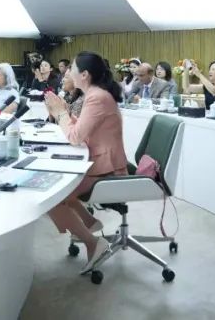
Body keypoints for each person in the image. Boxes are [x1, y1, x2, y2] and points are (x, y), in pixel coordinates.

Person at [43, 52, 129, 272]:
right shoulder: (95, 94)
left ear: (84, 74)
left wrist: (61, 114)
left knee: (50, 196)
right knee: (59, 187)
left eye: (71, 68)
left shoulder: (96, 97)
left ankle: (92, 243)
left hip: (107, 171)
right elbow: (82, 130)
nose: (67, 72)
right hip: (101, 165)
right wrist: (63, 112)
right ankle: (89, 223)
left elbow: (74, 137)